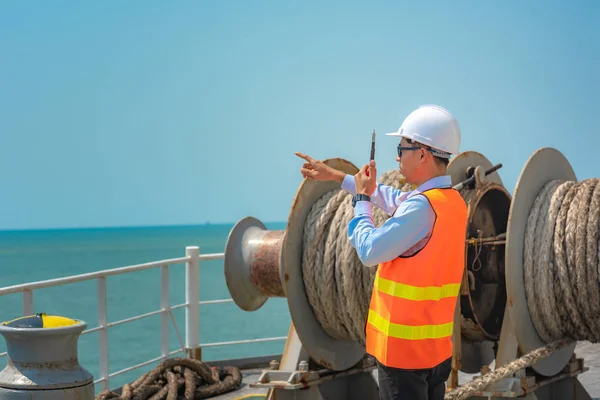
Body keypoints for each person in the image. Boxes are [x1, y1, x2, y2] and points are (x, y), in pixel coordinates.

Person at [295, 104, 468, 400]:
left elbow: (369, 250)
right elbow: (395, 199)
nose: (397, 156)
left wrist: (361, 199)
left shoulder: (422, 207)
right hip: (435, 350)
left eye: (402, 148)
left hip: (403, 357)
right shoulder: (450, 202)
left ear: (423, 154)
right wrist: (339, 177)